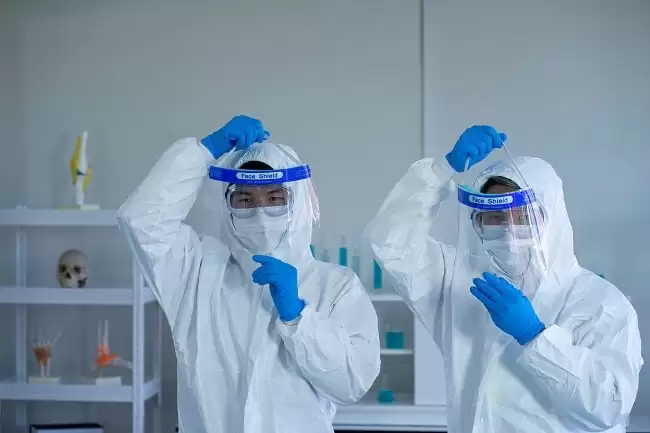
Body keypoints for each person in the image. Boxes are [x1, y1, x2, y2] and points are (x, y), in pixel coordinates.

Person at [365, 125, 642, 433]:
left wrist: (535, 337)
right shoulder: (461, 282)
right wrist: (443, 169)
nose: (508, 229)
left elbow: (610, 405)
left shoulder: (601, 303)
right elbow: (389, 243)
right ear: (478, 222)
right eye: (495, 217)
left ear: (551, 218)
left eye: (523, 216)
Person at [118, 115, 380, 433]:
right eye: (244, 199)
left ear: (298, 201)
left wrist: (299, 318)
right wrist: (204, 151)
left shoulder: (336, 286)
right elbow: (142, 220)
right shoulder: (197, 272)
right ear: (227, 206)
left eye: (275, 198)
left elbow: (352, 382)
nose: (260, 212)